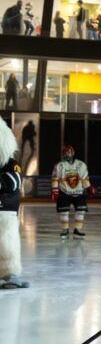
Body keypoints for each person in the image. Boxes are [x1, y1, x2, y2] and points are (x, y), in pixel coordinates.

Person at [0, 116, 27, 288]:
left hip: (5, 211)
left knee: (6, 241)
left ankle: (9, 273)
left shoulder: (11, 164)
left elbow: (14, 182)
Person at [51, 145, 92, 238]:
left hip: (79, 192)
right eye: (65, 152)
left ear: (73, 153)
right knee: (64, 212)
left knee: (81, 211)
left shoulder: (81, 165)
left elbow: (84, 178)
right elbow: (55, 179)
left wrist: (89, 187)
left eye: (68, 152)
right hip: (64, 192)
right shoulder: (59, 166)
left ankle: (77, 230)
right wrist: (55, 189)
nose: (67, 154)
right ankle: (65, 230)